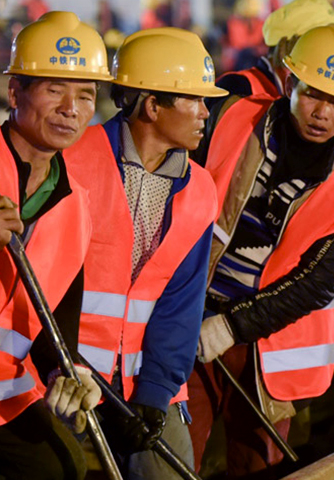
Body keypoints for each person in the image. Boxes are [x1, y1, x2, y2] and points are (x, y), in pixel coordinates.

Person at [188, 24, 334, 477]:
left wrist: (229, 328)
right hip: (189, 315)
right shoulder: (230, 116)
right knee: (170, 455)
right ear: (290, 82)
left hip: (265, 347)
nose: (323, 113)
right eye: (314, 94)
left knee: (257, 464)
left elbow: (314, 285)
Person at [62, 28, 223, 479]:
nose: (205, 114)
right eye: (194, 100)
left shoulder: (200, 189)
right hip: (63, 375)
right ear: (152, 105)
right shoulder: (73, 161)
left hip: (145, 380)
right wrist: (65, 370)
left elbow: (181, 304)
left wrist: (154, 393)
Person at [0, 11, 110, 479]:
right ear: (14, 94)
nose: (71, 108)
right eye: (53, 90)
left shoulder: (76, 205)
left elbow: (55, 319)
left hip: (5, 386)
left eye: (85, 95)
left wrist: (69, 372)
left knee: (63, 466)